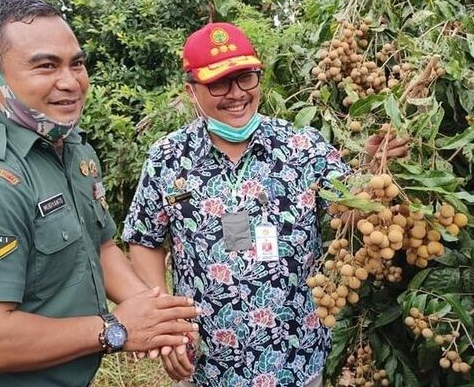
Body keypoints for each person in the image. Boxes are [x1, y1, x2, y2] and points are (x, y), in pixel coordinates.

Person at [123, 22, 409, 386]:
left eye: (246, 78)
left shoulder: (303, 147)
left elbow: (349, 213)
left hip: (295, 357)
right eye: (219, 83)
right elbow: (145, 239)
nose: (236, 94)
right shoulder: (168, 157)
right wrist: (166, 322)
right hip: (208, 365)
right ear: (191, 90)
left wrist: (372, 170)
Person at [0, 0, 201, 386]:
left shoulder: (72, 150)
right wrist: (115, 328)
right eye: (46, 66)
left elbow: (101, 245)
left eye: (77, 63)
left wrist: (157, 318)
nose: (70, 82)